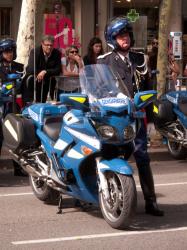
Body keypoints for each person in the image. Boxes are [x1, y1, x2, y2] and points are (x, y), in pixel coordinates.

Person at [97, 16, 164, 216]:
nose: (124, 38)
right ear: (112, 39)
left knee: (142, 157)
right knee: (109, 155)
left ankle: (151, 202)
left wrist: (151, 120)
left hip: (137, 119)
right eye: (119, 35)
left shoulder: (141, 59)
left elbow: (149, 91)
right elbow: (98, 91)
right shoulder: (104, 61)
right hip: (114, 118)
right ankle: (108, 197)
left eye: (126, 34)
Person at [0, 38, 25, 176]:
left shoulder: (19, 67)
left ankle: (18, 168)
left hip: (15, 105)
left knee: (17, 136)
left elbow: (24, 86)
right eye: (7, 51)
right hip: (1, 105)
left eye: (11, 51)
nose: (9, 54)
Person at [23, 35, 61, 103]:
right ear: (42, 44)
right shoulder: (35, 52)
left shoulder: (57, 53)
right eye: (47, 45)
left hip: (49, 85)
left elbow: (58, 70)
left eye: (51, 45)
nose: (49, 47)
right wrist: (42, 73)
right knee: (34, 104)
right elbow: (31, 69)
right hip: (34, 83)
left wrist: (45, 72)